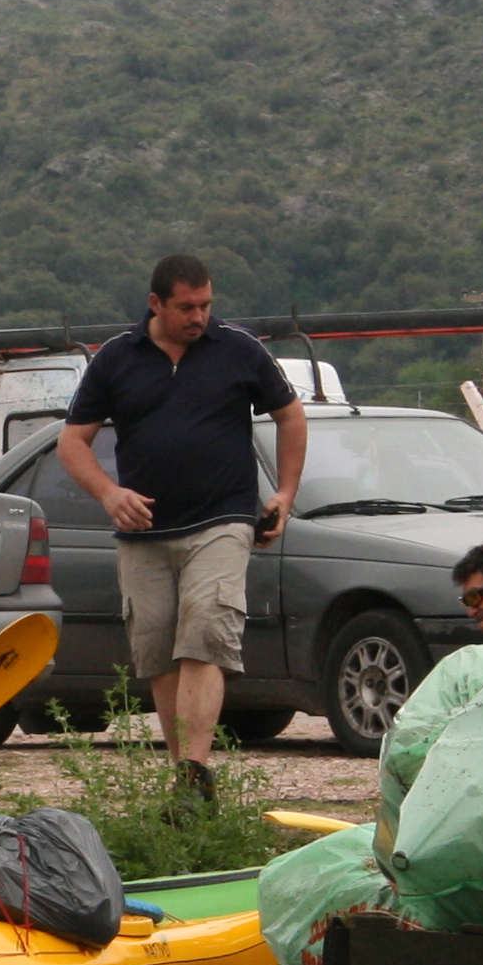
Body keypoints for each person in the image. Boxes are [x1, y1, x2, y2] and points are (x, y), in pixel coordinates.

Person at [57, 253, 308, 803]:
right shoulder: (116, 359)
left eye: (206, 305)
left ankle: (195, 770)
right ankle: (182, 781)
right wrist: (109, 492)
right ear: (156, 304)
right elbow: (72, 442)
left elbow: (290, 415)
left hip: (222, 518)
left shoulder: (239, 349)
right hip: (144, 531)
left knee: (205, 633)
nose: (198, 317)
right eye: (186, 307)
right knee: (159, 650)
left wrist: (285, 493)